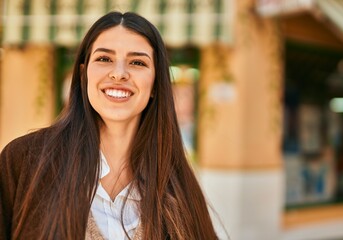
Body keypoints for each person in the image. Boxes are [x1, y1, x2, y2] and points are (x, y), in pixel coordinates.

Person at [0, 11, 218, 239]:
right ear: (84, 75)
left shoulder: (178, 186)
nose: (119, 74)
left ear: (155, 84)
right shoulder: (25, 161)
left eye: (137, 62)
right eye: (104, 59)